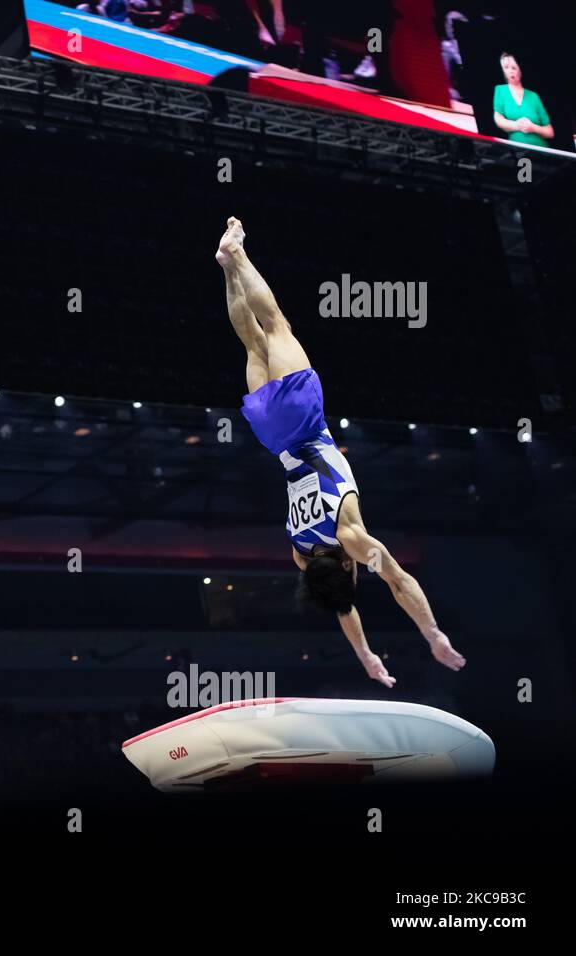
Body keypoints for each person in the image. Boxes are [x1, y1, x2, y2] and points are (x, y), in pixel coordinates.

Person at [215, 217, 466, 688]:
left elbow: (399, 583)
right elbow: (340, 602)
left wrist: (432, 633)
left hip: (303, 423)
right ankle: (227, 268)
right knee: (251, 343)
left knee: (276, 327)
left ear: (350, 566)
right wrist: (366, 656)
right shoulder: (301, 553)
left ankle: (239, 253)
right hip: (272, 435)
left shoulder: (351, 539)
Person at [492, 52, 553, 147]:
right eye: (506, 67)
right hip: (519, 151)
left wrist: (533, 128)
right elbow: (498, 119)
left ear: (520, 69)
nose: (510, 71)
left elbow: (550, 132)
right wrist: (517, 125)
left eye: (514, 67)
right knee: (523, 162)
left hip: (542, 150)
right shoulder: (500, 90)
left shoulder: (534, 96)